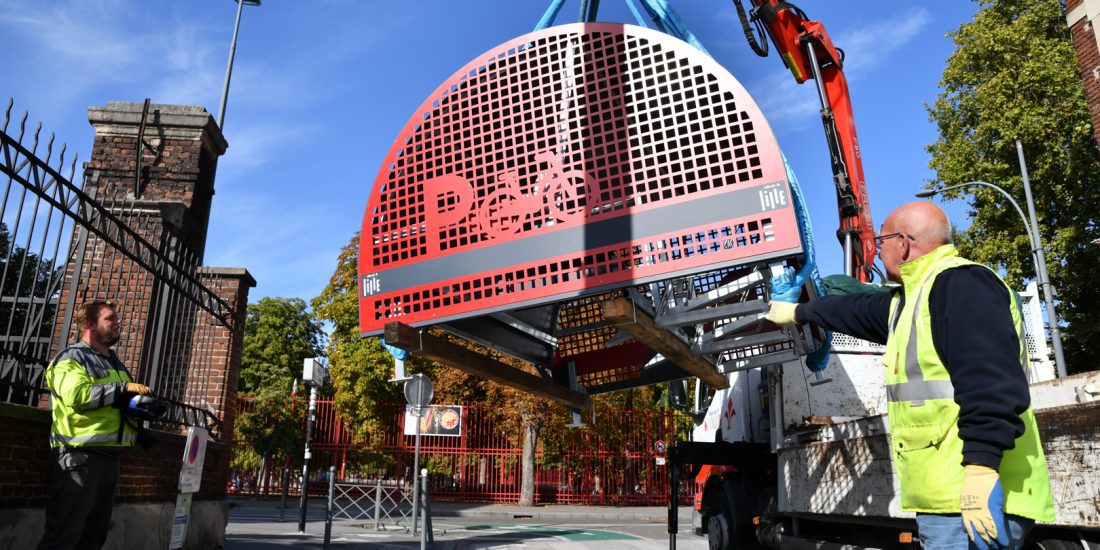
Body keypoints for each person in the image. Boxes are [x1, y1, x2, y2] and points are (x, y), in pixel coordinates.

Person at [766, 201, 1054, 549]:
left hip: (970, 495)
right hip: (948, 496)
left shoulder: (961, 284)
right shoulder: (914, 297)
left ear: (902, 242)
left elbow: (989, 383)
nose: (877, 250)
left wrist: (981, 466)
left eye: (881, 241)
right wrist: (798, 311)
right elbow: (856, 310)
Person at [38, 300, 152, 550]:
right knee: (64, 538)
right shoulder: (71, 357)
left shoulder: (116, 364)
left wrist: (139, 416)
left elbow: (116, 405)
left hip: (109, 461)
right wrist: (121, 389)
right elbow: (76, 396)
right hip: (78, 459)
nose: (118, 322)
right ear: (90, 324)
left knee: (93, 539)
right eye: (110, 318)